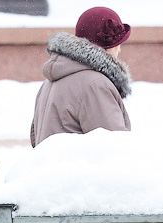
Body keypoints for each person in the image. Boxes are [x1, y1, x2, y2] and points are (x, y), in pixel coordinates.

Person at [30, 6, 132, 147]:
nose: (120, 49)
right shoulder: (95, 85)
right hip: (79, 169)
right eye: (118, 44)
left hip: (52, 168)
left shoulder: (49, 82)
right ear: (107, 46)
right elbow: (115, 149)